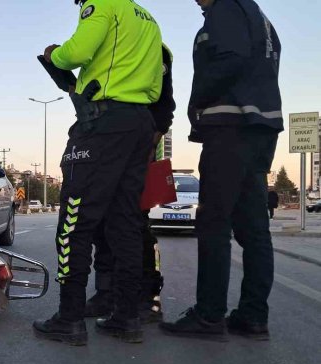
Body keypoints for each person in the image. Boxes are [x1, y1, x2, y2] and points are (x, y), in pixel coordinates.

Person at [33, 0, 163, 345]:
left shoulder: (101, 2)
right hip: (139, 123)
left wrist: (55, 55)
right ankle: (126, 316)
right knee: (125, 224)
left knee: (74, 222)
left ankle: (70, 317)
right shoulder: (147, 18)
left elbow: (77, 52)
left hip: (102, 124)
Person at [160, 0, 282, 341]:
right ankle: (253, 316)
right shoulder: (259, 17)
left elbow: (231, 59)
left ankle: (209, 315)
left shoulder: (227, 8)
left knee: (213, 222)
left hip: (230, 127)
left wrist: (196, 101)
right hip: (260, 128)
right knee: (254, 227)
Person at [86, 43, 176, 324]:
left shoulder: (153, 46)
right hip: (105, 148)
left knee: (134, 226)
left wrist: (150, 144)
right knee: (101, 225)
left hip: (139, 151)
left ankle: (147, 298)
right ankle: (106, 293)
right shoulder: (102, 43)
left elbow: (164, 106)